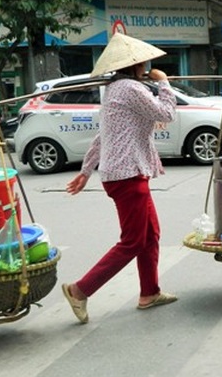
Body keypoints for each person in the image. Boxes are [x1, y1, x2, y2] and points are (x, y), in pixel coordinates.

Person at [61, 33, 178, 324]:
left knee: (150, 235)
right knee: (133, 241)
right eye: (145, 62)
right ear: (137, 64)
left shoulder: (115, 89)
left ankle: (149, 292)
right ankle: (80, 290)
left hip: (126, 173)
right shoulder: (129, 89)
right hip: (127, 175)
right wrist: (164, 82)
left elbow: (104, 137)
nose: (147, 65)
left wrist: (86, 171)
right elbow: (167, 112)